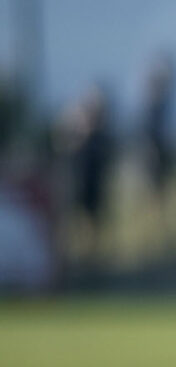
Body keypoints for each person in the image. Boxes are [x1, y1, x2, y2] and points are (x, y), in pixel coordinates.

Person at [137, 52, 176, 259]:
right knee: (153, 202)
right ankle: (153, 244)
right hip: (155, 157)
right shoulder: (152, 107)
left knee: (171, 200)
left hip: (166, 155)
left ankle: (173, 240)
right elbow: (148, 136)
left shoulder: (166, 105)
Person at [53, 83, 115, 267]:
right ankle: (71, 256)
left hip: (94, 185)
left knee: (93, 221)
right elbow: (60, 145)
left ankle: (92, 257)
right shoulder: (75, 137)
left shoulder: (101, 137)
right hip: (76, 184)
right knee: (72, 221)